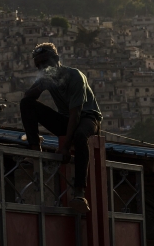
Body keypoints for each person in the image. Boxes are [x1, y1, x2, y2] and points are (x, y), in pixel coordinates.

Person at [20, 42, 102, 213]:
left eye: (46, 62)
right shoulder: (47, 79)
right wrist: (40, 84)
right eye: (39, 65)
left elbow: (76, 114)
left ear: (56, 59)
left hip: (87, 117)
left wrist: (65, 147)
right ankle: (35, 151)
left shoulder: (75, 76)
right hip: (67, 120)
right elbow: (29, 98)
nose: (43, 67)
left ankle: (79, 193)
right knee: (26, 103)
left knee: (80, 137)